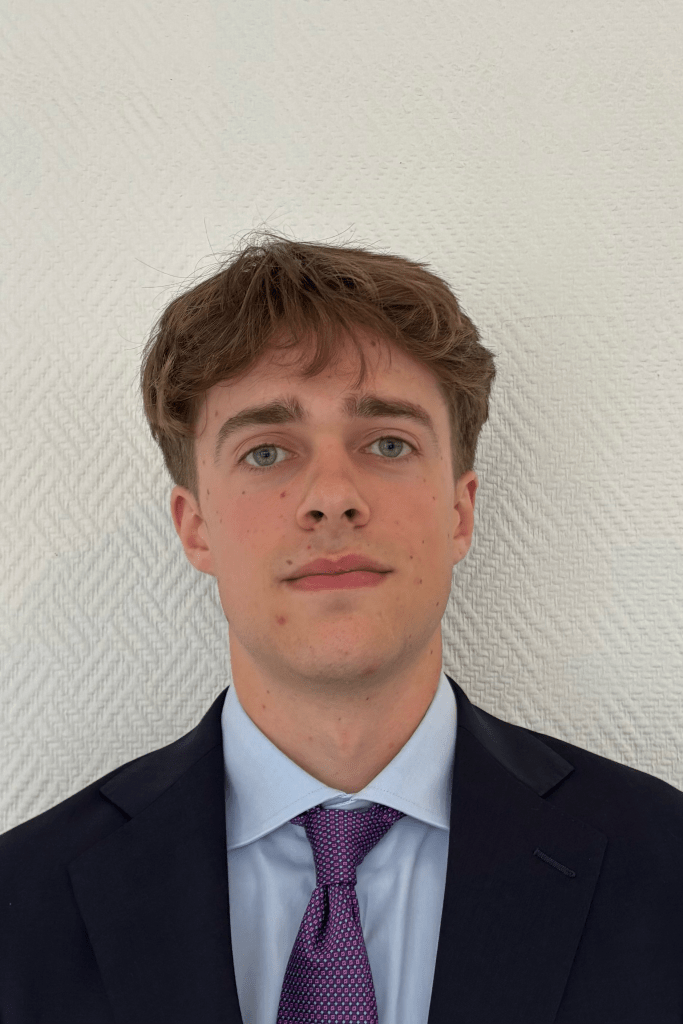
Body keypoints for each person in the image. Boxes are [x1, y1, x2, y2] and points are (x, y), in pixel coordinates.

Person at [1, 232, 682, 1024]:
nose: (331, 496)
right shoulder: (22, 903)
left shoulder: (662, 869)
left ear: (459, 512)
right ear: (195, 528)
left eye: (388, 443)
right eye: (266, 453)